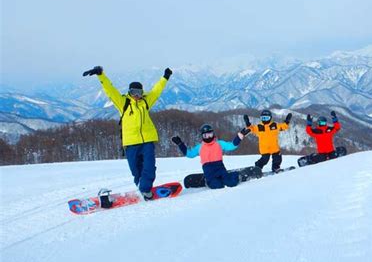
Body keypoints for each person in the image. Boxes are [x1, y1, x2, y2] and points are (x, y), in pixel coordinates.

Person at [83, 65, 172, 200]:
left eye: (139, 92)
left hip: (147, 140)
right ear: (129, 92)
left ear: (142, 93)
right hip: (130, 143)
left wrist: (165, 77)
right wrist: (101, 75)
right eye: (134, 92)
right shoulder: (123, 103)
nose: (137, 95)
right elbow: (110, 90)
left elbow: (157, 90)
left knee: (149, 167)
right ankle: (141, 187)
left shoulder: (146, 102)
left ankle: (145, 189)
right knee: (135, 171)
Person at [171, 124, 250, 189]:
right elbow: (189, 154)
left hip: (220, 167)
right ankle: (206, 180)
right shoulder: (200, 147)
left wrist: (239, 136)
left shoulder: (219, 143)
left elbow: (231, 146)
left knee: (230, 182)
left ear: (213, 134)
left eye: (210, 134)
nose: (208, 137)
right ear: (202, 136)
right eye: (205, 135)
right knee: (217, 185)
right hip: (208, 170)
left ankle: (237, 175)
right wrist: (180, 144)